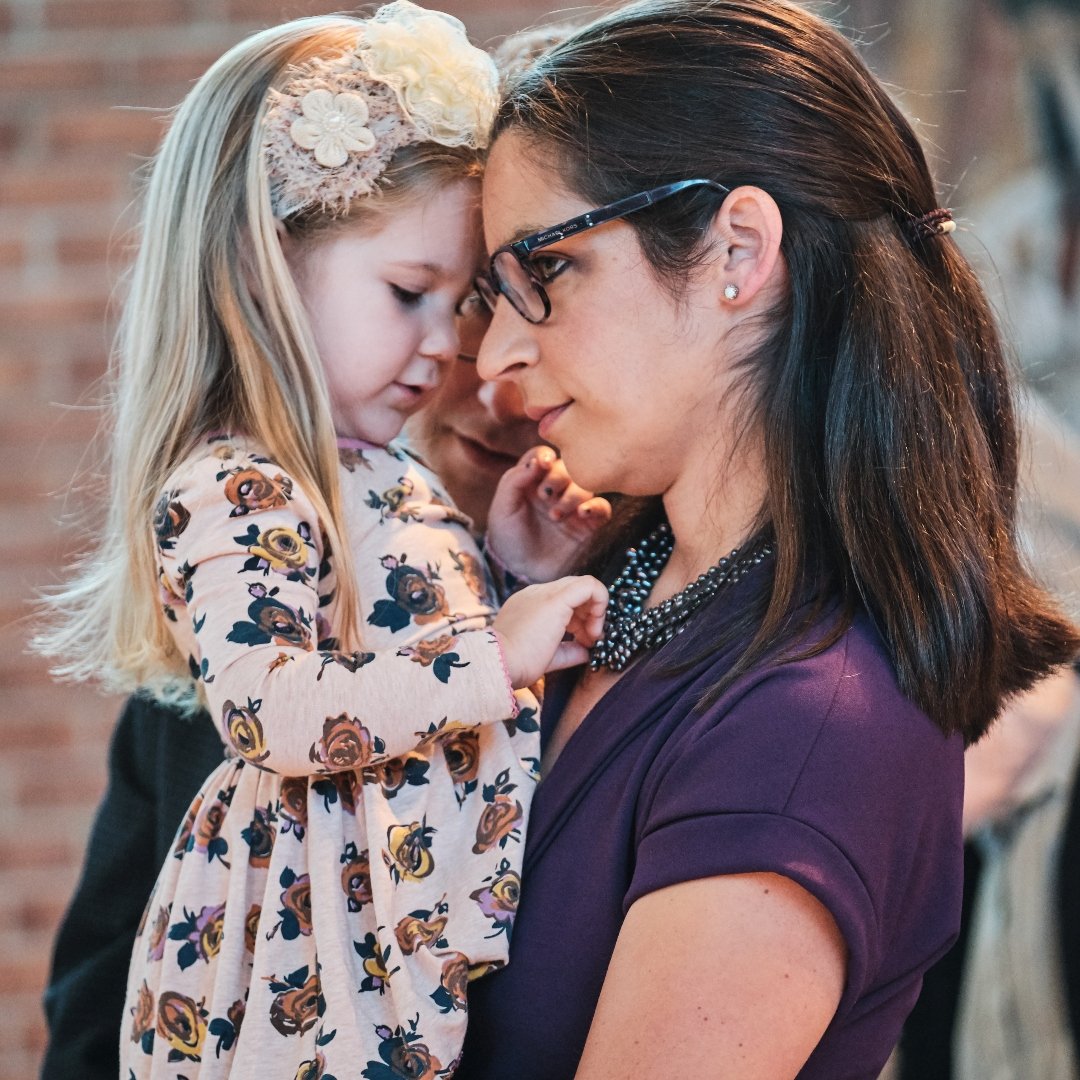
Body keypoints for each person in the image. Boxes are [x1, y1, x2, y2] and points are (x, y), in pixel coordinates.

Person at [452, 1, 1080, 1077]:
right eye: (486, 296)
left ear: (738, 249)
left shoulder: (804, 728)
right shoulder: (609, 583)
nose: (493, 357)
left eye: (542, 274)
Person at [34, 4, 612, 1076]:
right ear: (265, 269)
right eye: (412, 295)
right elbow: (283, 708)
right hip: (303, 997)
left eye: (475, 301)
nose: (453, 353)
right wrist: (496, 653)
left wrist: (510, 575)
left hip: (408, 968)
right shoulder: (237, 488)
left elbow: (398, 640)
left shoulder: (381, 480)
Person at [37, 276, 540, 1080]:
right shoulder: (248, 592)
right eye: (420, 294)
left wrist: (518, 581)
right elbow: (92, 1009)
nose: (491, 386)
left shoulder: (549, 594)